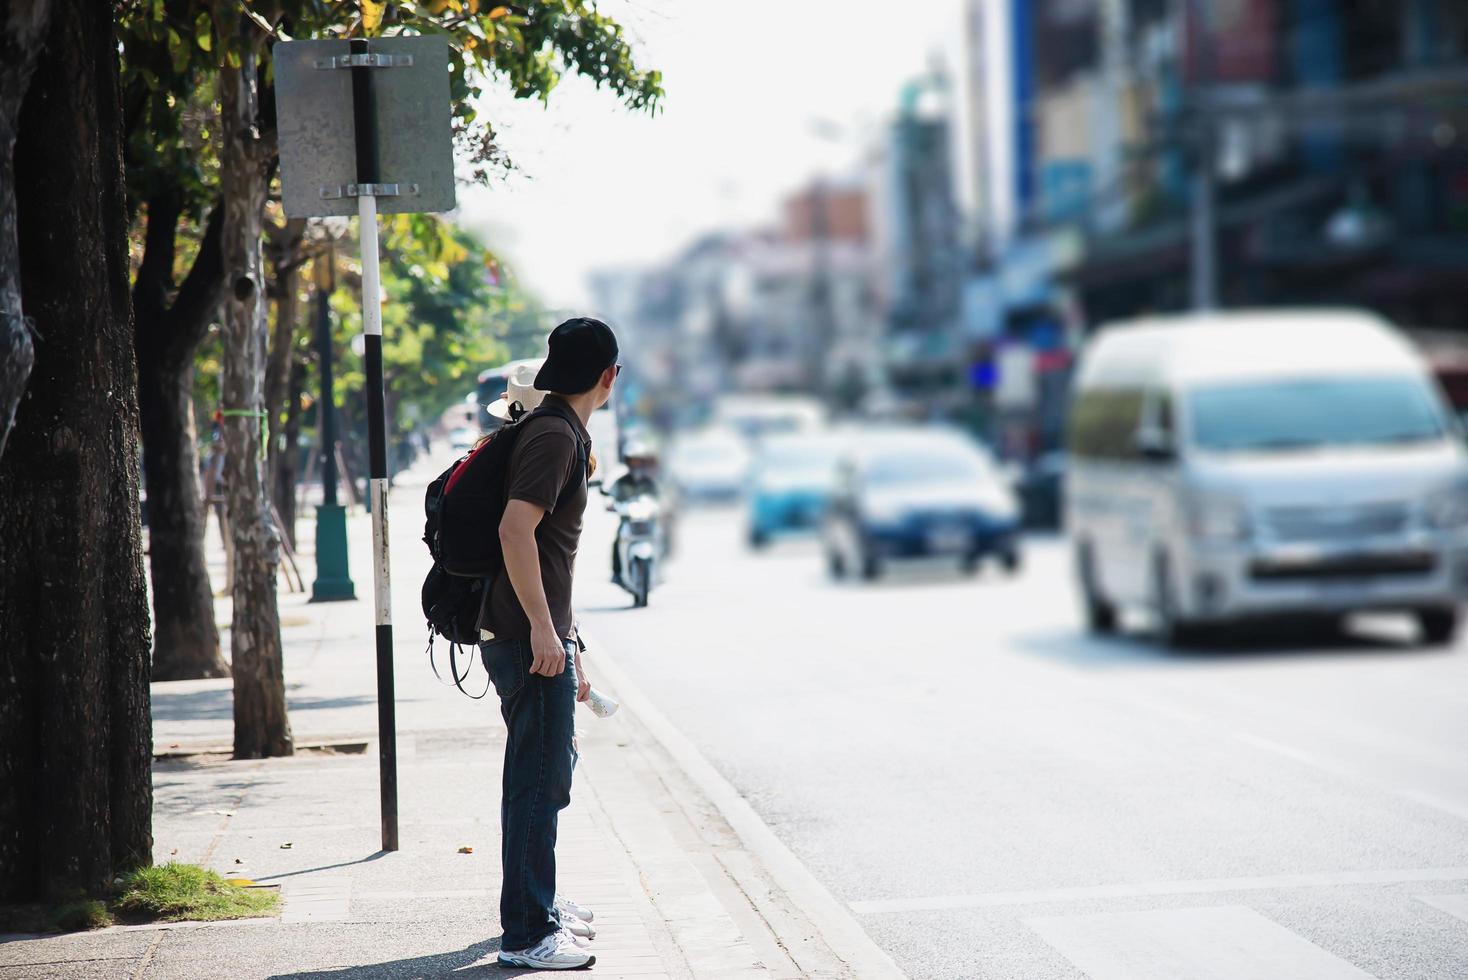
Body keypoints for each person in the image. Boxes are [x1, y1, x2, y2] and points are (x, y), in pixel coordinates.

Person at [478, 317, 619, 971]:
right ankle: (528, 934)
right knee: (537, 784)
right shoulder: (556, 435)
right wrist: (542, 628)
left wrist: (568, 637)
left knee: (544, 779)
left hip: (539, 634)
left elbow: (548, 551)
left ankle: (541, 907)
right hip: (526, 638)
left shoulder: (557, 428)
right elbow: (515, 531)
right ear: (607, 376)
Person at [606, 440, 660, 585]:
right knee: (617, 540)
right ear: (628, 462)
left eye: (638, 461)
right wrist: (611, 504)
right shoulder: (621, 482)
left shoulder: (650, 482)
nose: (635, 464)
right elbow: (611, 495)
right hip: (628, 522)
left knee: (660, 536)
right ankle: (617, 573)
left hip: (647, 522)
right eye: (633, 460)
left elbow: (661, 497)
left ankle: (660, 570)